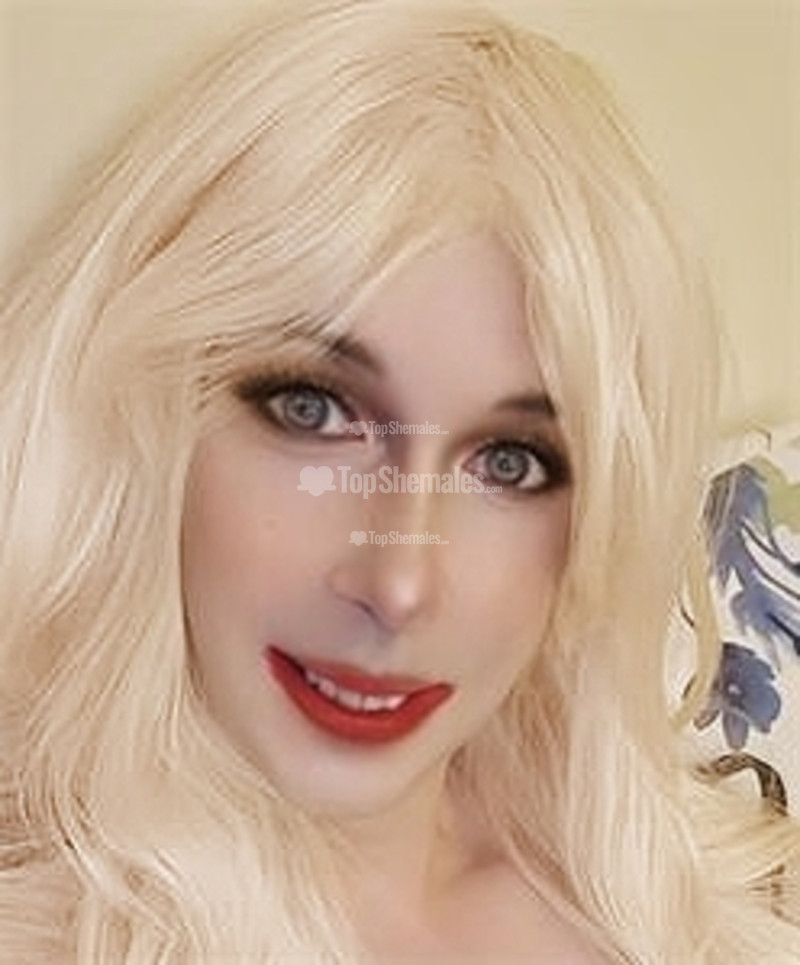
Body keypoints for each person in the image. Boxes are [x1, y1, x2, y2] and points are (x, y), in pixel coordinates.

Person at [1, 1, 798, 962]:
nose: (400, 582)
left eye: (510, 462)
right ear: (147, 415)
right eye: (311, 409)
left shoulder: (698, 892)